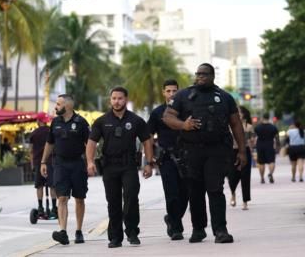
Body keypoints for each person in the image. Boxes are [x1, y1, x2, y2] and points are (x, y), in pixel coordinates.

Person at [163, 63, 246, 244]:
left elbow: (236, 124)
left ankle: (220, 230)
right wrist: (183, 125)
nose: (200, 76)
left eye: (204, 74)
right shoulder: (184, 95)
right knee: (195, 191)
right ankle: (198, 229)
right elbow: (168, 117)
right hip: (191, 150)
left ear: (212, 76)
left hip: (217, 150)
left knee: (215, 189)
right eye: (198, 73)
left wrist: (242, 150)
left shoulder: (224, 97)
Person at [86, 86, 155, 248]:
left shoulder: (136, 120)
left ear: (126, 100)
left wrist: (149, 163)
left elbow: (147, 141)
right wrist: (90, 161)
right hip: (109, 166)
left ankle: (132, 232)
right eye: (114, 98)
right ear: (110, 100)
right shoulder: (102, 121)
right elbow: (91, 143)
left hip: (129, 165)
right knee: (113, 202)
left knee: (131, 197)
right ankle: (115, 237)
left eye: (120, 98)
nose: (116, 102)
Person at [40, 95, 90, 245]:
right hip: (60, 164)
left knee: (79, 198)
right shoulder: (55, 122)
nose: (56, 107)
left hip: (78, 164)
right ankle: (63, 231)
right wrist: (43, 161)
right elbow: (49, 143)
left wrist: (90, 162)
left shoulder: (81, 122)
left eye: (58, 104)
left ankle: (79, 231)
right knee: (62, 197)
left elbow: (90, 144)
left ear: (67, 106)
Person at [147, 79, 188, 240]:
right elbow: (148, 137)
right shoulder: (157, 112)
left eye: (174, 90)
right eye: (168, 91)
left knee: (186, 193)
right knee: (172, 194)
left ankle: (171, 219)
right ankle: (176, 228)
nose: (172, 94)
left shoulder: (185, 110)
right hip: (166, 158)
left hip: (185, 157)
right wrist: (150, 160)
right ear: (163, 92)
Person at [30, 112, 57, 217]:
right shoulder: (51, 132)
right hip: (50, 162)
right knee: (52, 186)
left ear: (38, 121)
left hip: (38, 163)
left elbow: (31, 151)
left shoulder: (34, 134)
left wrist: (32, 165)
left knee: (39, 185)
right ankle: (54, 208)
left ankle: (40, 208)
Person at [228, 106, 254, 210]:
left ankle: (245, 201)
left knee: (245, 177)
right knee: (232, 175)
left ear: (244, 114)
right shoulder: (229, 126)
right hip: (232, 151)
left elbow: (252, 140)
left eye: (239, 112)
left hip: (245, 151)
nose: (237, 114)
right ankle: (233, 193)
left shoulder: (249, 126)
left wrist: (251, 146)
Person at [254, 113, 280, 184]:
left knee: (261, 162)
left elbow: (254, 136)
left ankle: (262, 178)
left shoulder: (258, 127)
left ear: (263, 117)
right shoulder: (273, 127)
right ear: (269, 118)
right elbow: (277, 137)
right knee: (271, 161)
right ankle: (270, 174)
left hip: (260, 145)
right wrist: (278, 145)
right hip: (270, 145)